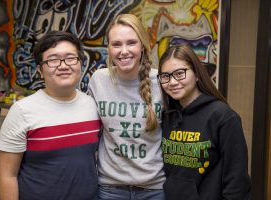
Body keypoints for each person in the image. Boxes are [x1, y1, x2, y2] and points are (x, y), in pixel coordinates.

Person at [0, 31, 101, 200]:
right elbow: (7, 176)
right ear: (40, 70)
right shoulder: (22, 110)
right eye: (53, 60)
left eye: (70, 57)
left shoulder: (92, 105)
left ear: (80, 64)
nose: (63, 65)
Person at [157, 44, 251, 200]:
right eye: (165, 76)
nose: (172, 82)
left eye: (180, 73)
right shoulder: (167, 115)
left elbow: (237, 180)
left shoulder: (223, 116)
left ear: (197, 74)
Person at [88, 14, 166, 200]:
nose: (124, 51)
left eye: (131, 43)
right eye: (116, 44)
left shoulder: (161, 81)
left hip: (154, 188)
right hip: (110, 188)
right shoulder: (99, 80)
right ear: (109, 48)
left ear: (142, 46)